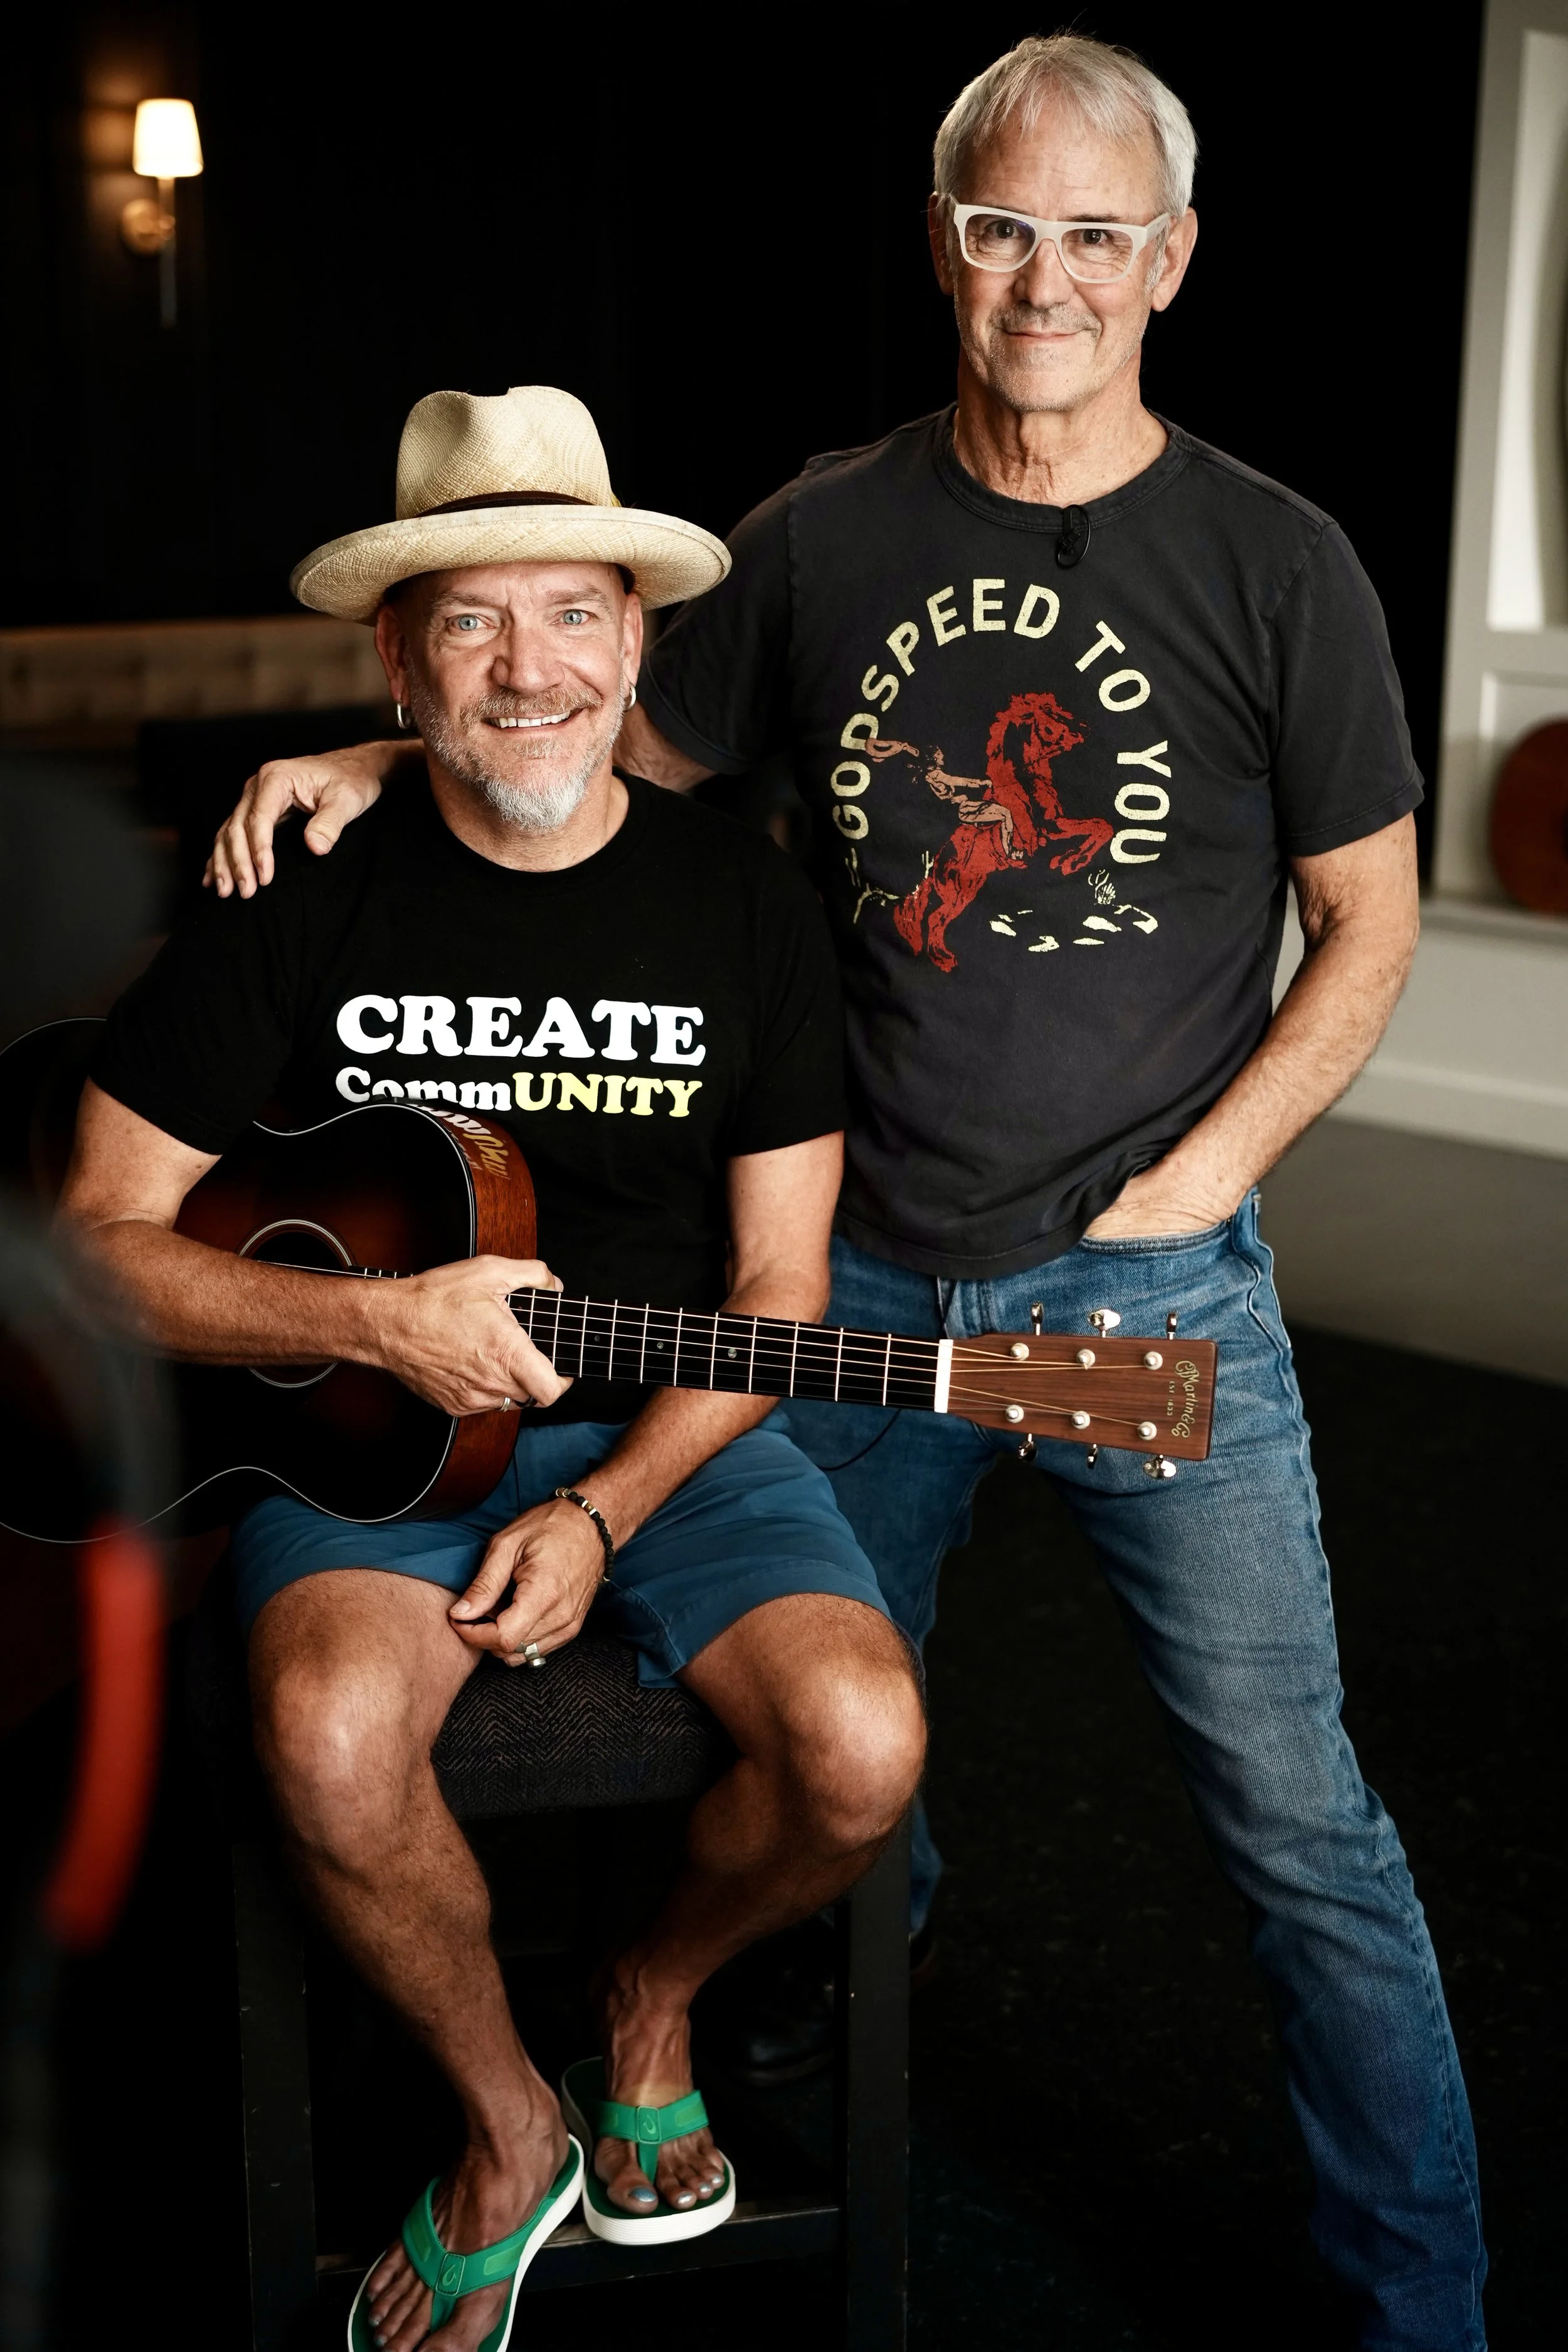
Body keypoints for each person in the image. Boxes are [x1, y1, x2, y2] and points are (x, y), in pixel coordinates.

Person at [203, 36, 1486, 2350]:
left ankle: (1424, 2306)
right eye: (1006, 226)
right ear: (944, 244)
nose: (1048, 279)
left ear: (1170, 262)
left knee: (1299, 1830)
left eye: (1099, 236)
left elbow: (1367, 918)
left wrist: (1186, 1181)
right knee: (831, 1757)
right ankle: (777, 2070)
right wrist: (370, 743)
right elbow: (593, 747)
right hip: (845, 1285)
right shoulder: (826, 532)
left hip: (1147, 1290)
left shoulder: (1274, 560)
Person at [60, 383, 926, 2352]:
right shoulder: (297, 895)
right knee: (328, 1738)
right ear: (398, 655)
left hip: (675, 1424)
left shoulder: (743, 905)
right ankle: (503, 2115)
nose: (527, 666)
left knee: (864, 1745)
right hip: (372, 1434)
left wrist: (610, 1514)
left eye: (571, 612)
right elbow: (95, 1243)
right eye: (469, 619)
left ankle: (645, 1999)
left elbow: (780, 1284)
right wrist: (372, 1320)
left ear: (635, 642)